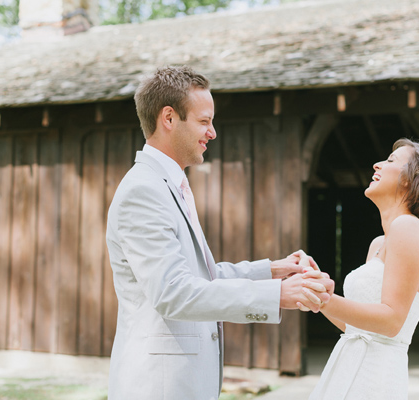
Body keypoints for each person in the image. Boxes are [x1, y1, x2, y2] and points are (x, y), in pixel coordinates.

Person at [105, 65, 334, 400]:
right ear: (168, 118)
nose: (212, 133)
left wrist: (272, 270)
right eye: (204, 121)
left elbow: (201, 276)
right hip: (160, 387)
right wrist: (277, 295)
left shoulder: (171, 184)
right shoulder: (144, 190)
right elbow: (174, 293)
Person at [299, 138, 419, 400]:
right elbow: (356, 327)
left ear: (412, 178)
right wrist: (315, 288)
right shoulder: (379, 242)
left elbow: (391, 321)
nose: (376, 164)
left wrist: (327, 300)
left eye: (390, 161)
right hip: (347, 365)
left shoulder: (408, 228)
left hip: (375, 377)